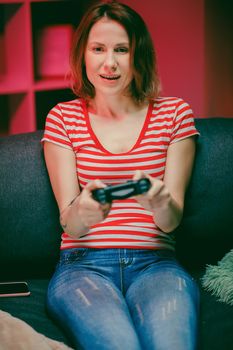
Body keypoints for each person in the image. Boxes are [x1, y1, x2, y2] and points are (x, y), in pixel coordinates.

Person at [41, 1, 200, 349]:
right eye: (98, 49)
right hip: (82, 267)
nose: (109, 62)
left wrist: (160, 201)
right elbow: (70, 224)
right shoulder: (62, 118)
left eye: (122, 50)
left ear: (138, 55)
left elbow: (172, 221)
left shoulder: (175, 114)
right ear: (83, 53)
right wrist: (82, 209)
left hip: (157, 264)